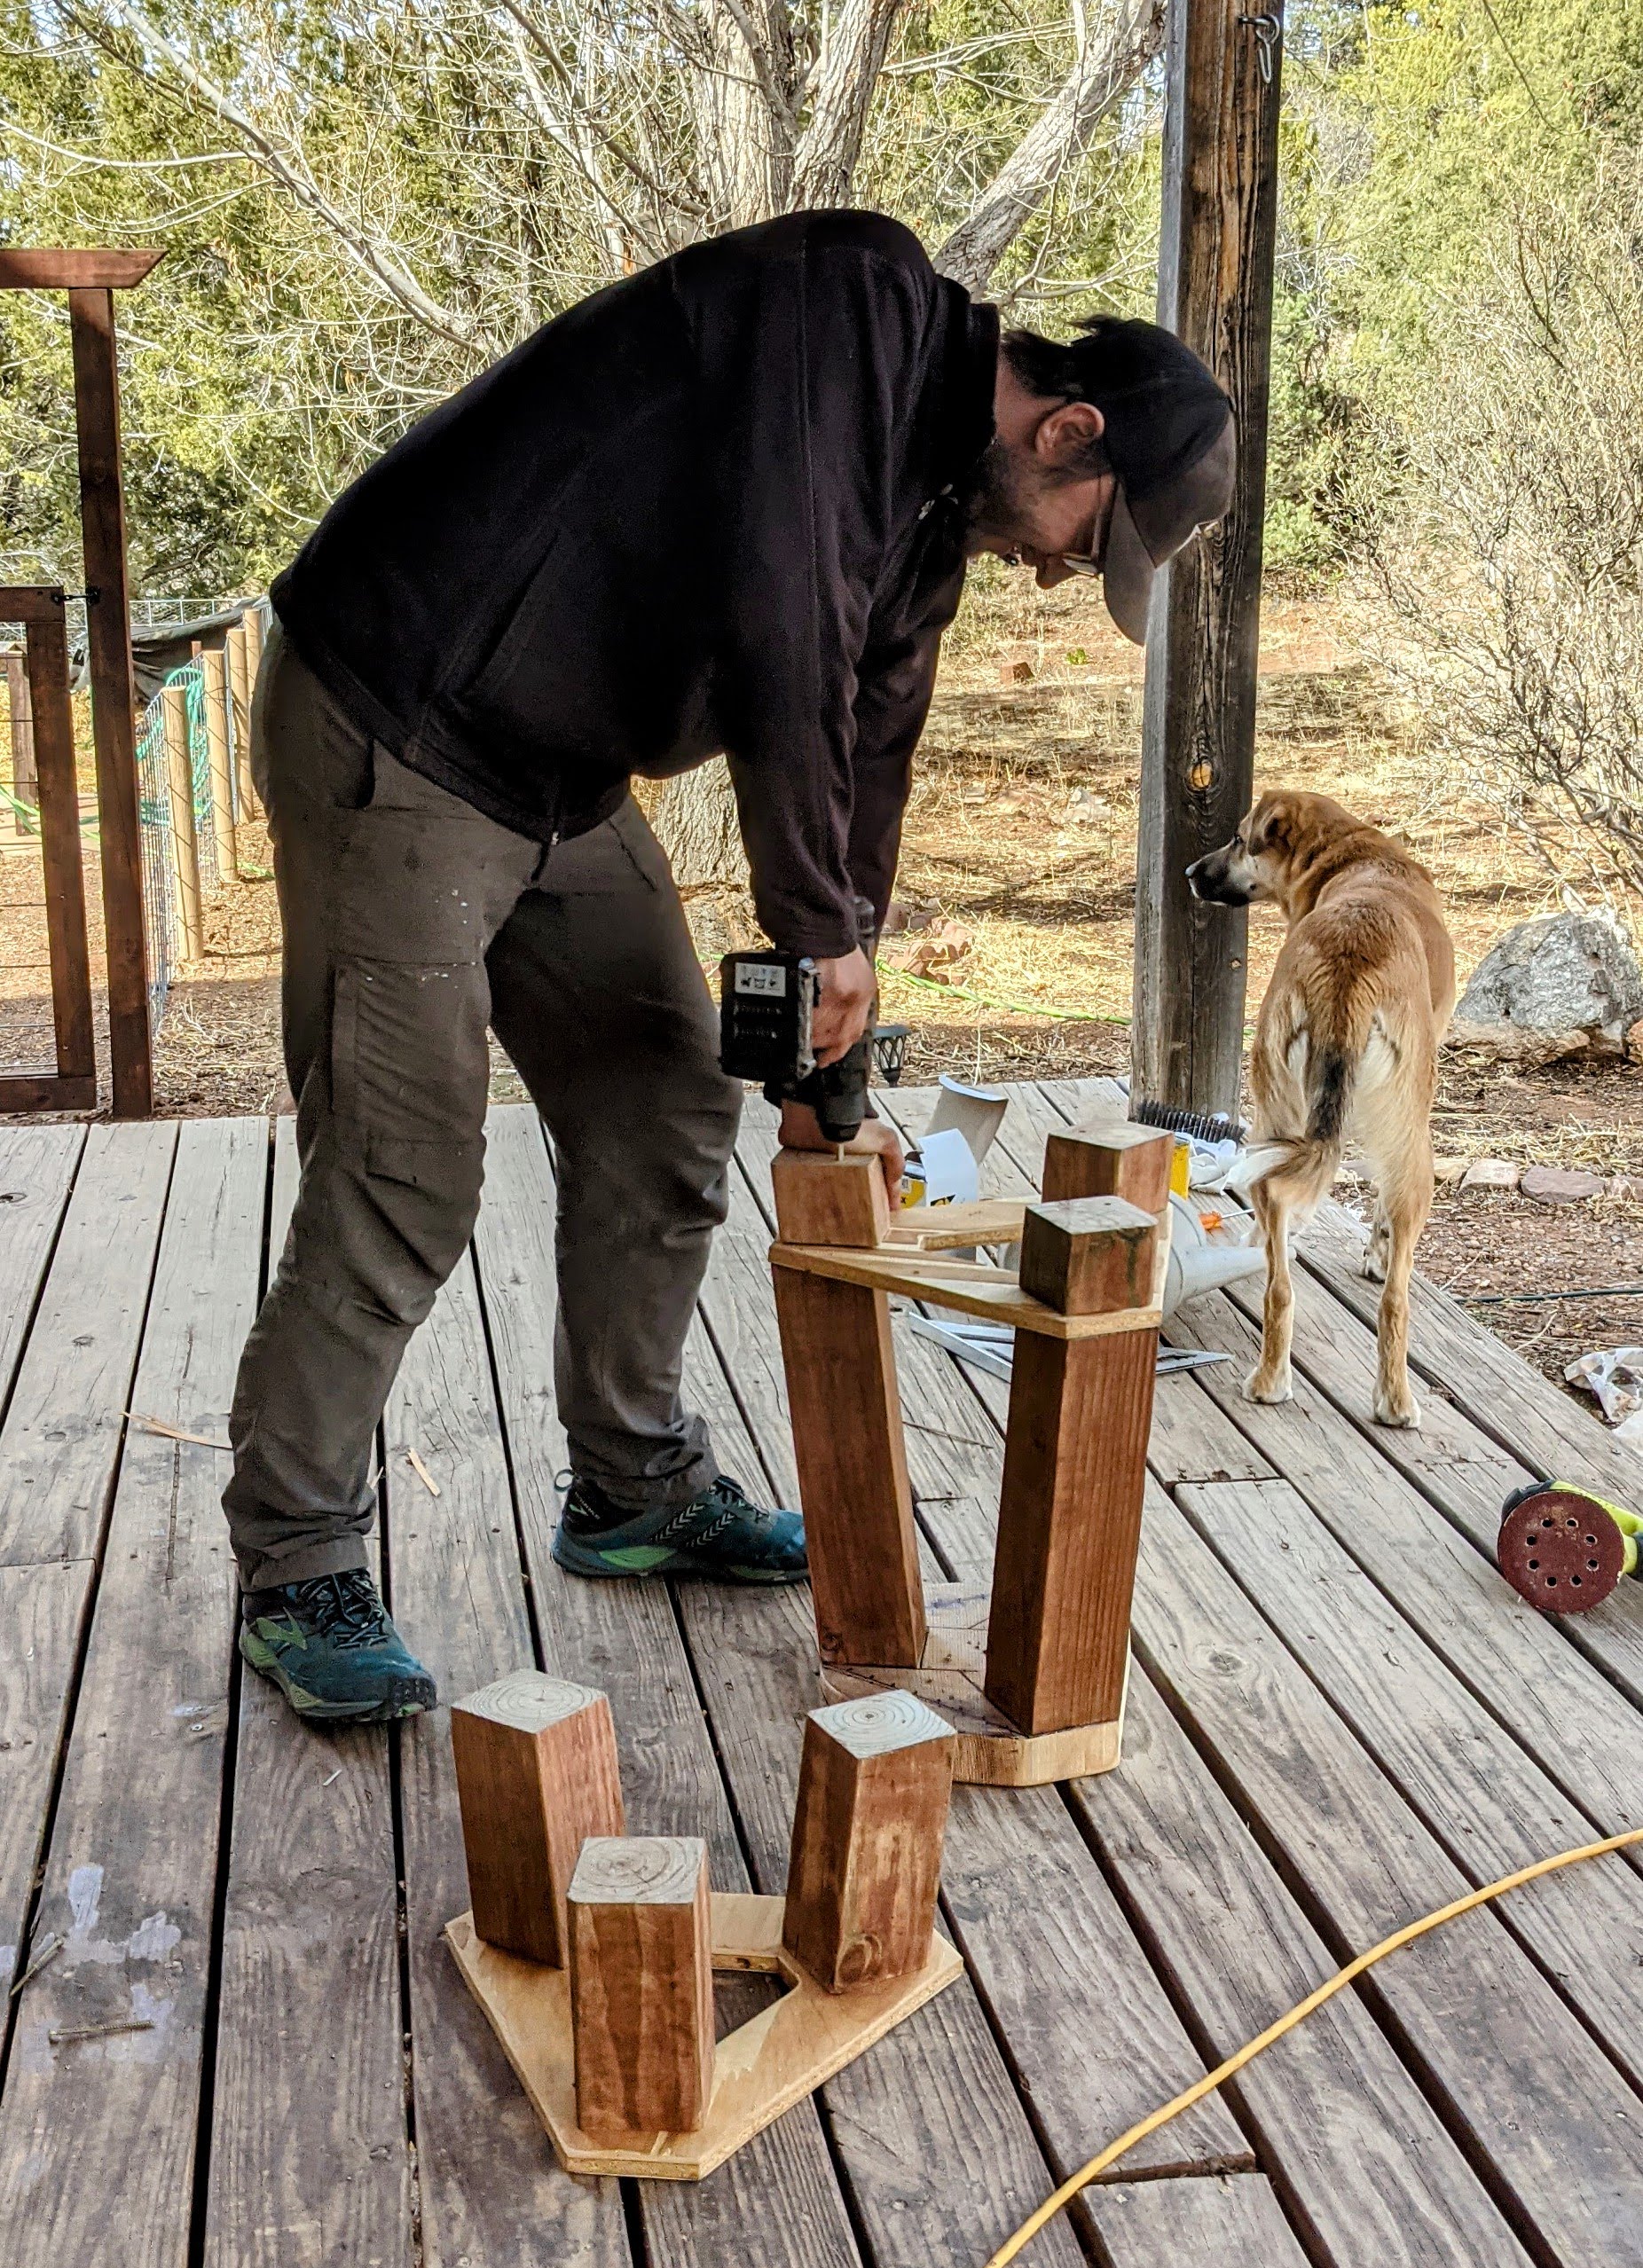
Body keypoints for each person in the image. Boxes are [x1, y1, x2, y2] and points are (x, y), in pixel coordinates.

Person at [227, 208, 1235, 1723]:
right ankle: (296, 1556)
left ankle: (632, 1490)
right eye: (1089, 533)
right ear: (1067, 427)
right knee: (406, 1162)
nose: (1062, 570)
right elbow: (786, 615)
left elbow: (865, 757)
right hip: (405, 706)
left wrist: (841, 1053)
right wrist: (811, 922)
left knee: (672, 1104)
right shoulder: (853, 306)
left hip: (558, 772)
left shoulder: (925, 531)